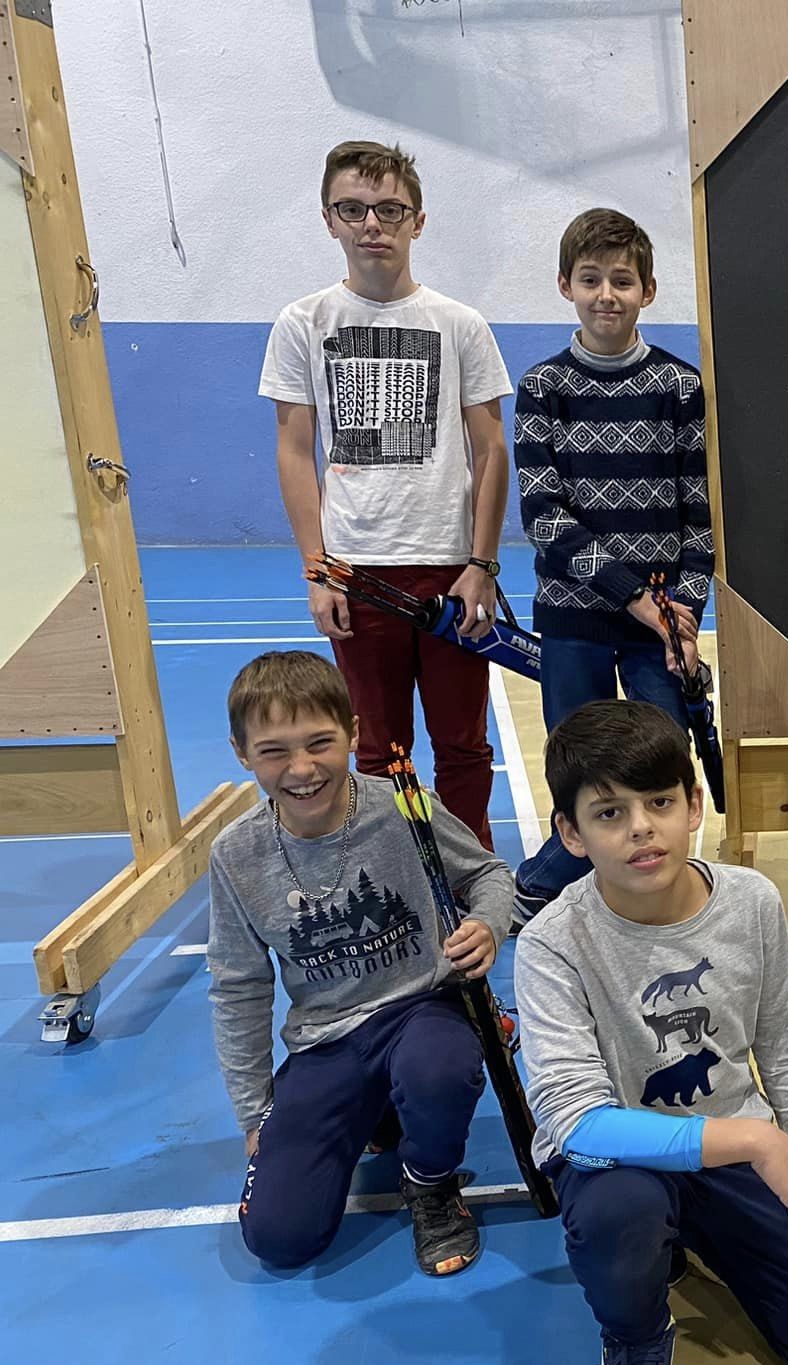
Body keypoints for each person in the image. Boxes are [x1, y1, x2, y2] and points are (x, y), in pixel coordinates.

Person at [513, 700, 788, 1365]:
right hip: (620, 1162)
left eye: (659, 802)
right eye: (609, 813)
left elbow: (784, 1039)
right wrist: (758, 1140)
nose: (641, 829)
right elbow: (577, 1121)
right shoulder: (552, 945)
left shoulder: (751, 903)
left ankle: (689, 1235)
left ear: (694, 805)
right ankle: (635, 1338)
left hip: (731, 1152)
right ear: (570, 834)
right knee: (621, 1212)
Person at [208, 650, 512, 1277]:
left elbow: (487, 874)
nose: (301, 769)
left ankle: (429, 1182)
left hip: (420, 1007)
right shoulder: (235, 854)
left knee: (439, 1067)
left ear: (352, 732)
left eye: (319, 743)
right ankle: (379, 1112)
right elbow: (239, 989)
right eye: (273, 752)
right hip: (327, 1038)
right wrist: (254, 1113)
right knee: (280, 1238)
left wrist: (487, 924)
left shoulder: (404, 805)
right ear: (241, 753)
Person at [261, 140, 513, 848]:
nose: (372, 223)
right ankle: (397, 875)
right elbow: (294, 450)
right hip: (358, 572)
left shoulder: (460, 325)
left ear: (417, 221)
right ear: (329, 219)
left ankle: (472, 875)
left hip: (450, 571)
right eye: (353, 209)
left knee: (463, 747)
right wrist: (318, 571)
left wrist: (482, 564)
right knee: (377, 753)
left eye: (390, 209)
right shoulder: (303, 323)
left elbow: (492, 450)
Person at [512, 207, 713, 921]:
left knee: (663, 760)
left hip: (662, 627)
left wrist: (683, 614)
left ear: (647, 291)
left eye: (622, 281)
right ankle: (556, 883)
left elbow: (699, 518)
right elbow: (544, 516)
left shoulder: (680, 387)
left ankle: (639, 884)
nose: (607, 295)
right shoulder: (542, 387)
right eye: (591, 279)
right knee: (580, 770)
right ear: (565, 285)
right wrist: (634, 595)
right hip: (574, 622)